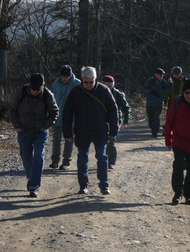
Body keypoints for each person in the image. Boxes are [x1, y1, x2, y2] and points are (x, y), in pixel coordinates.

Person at [62, 66, 119, 195]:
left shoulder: (104, 90)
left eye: (91, 82)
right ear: (82, 79)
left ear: (95, 79)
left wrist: (113, 129)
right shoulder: (76, 92)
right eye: (85, 81)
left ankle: (104, 185)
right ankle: (83, 186)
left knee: (102, 157)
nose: (88, 84)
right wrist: (67, 132)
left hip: (99, 130)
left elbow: (112, 110)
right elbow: (67, 113)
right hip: (82, 131)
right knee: (82, 159)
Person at [10, 73, 59, 197]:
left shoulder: (48, 95)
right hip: (24, 130)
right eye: (33, 89)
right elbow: (13, 110)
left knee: (38, 155)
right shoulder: (20, 92)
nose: (35, 91)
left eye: (37, 89)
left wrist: (46, 125)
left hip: (40, 132)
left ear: (42, 87)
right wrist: (17, 126)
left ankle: (34, 186)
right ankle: (30, 176)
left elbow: (55, 112)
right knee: (25, 155)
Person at [49, 65, 80, 170]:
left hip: (71, 118)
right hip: (57, 117)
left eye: (66, 76)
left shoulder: (77, 84)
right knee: (56, 140)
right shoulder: (56, 84)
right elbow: (51, 98)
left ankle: (66, 161)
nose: (64, 78)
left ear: (70, 75)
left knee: (69, 140)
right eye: (63, 76)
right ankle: (54, 161)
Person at [101, 75, 130, 169]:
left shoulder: (118, 95)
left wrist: (125, 122)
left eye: (106, 85)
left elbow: (126, 108)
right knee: (101, 142)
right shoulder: (98, 92)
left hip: (114, 122)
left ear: (111, 85)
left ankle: (111, 162)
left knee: (111, 142)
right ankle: (102, 160)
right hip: (101, 121)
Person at [143, 68, 171, 138]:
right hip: (150, 103)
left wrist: (170, 83)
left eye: (162, 75)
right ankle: (153, 128)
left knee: (156, 117)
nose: (161, 76)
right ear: (156, 74)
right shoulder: (150, 81)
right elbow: (144, 89)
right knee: (151, 118)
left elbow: (169, 88)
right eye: (160, 75)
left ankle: (155, 132)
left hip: (158, 103)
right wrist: (151, 92)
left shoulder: (163, 82)